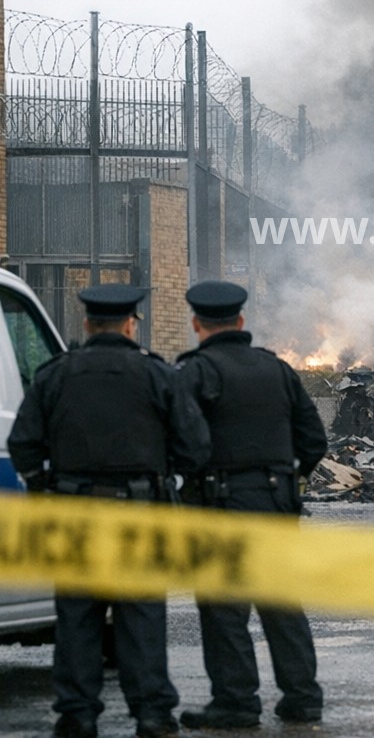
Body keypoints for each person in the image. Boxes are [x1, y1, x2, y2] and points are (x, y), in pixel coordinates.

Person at [8, 284, 211, 738]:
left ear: (86, 324)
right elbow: (195, 447)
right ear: (130, 324)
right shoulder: (157, 375)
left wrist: (46, 489)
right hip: (139, 514)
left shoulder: (56, 374)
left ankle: (77, 715)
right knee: (141, 618)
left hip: (75, 514)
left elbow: (22, 442)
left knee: (77, 618)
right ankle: (153, 715)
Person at [176, 281, 327, 730]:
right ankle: (303, 698)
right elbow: (314, 440)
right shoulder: (277, 369)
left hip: (220, 504)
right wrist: (284, 481)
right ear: (241, 322)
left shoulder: (194, 371)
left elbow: (183, 441)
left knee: (225, 608)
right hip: (278, 502)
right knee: (282, 604)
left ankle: (236, 703)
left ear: (197, 323)